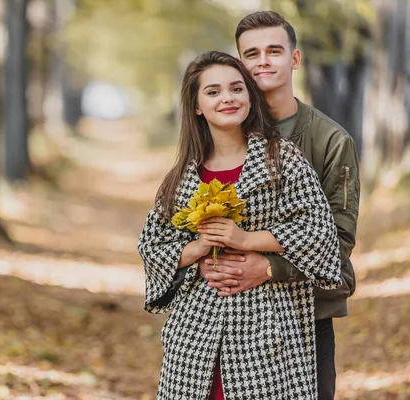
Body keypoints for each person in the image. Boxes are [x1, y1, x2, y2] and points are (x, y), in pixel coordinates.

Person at [138, 50, 341, 399]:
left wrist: (246, 239)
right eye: (213, 91)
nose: (227, 98)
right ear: (197, 105)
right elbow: (151, 246)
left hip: (268, 329)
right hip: (195, 335)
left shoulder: (282, 159)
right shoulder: (182, 175)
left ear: (249, 96)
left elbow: (320, 232)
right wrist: (198, 250)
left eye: (236, 88)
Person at [196, 11, 360, 400]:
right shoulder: (219, 131)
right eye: (251, 54)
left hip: (305, 312)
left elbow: (338, 240)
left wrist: (268, 268)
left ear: (295, 59)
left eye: (274, 50)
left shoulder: (330, 141)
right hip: (229, 313)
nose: (263, 61)